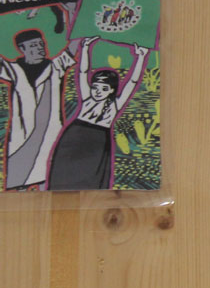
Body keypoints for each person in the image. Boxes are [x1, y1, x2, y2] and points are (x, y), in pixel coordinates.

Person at [46, 37, 150, 190]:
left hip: (98, 140)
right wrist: (86, 48)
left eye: (104, 89)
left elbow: (132, 82)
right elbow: (83, 72)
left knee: (92, 176)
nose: (98, 92)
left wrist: (141, 57)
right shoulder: (87, 98)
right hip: (75, 135)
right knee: (63, 173)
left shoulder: (114, 105)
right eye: (95, 87)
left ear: (112, 90)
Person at [0, 28, 77, 189]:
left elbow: (74, 46)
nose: (40, 48)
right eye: (34, 45)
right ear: (22, 49)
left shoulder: (55, 66)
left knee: (48, 180)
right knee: (17, 182)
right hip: (21, 138)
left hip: (50, 135)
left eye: (41, 44)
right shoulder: (13, 70)